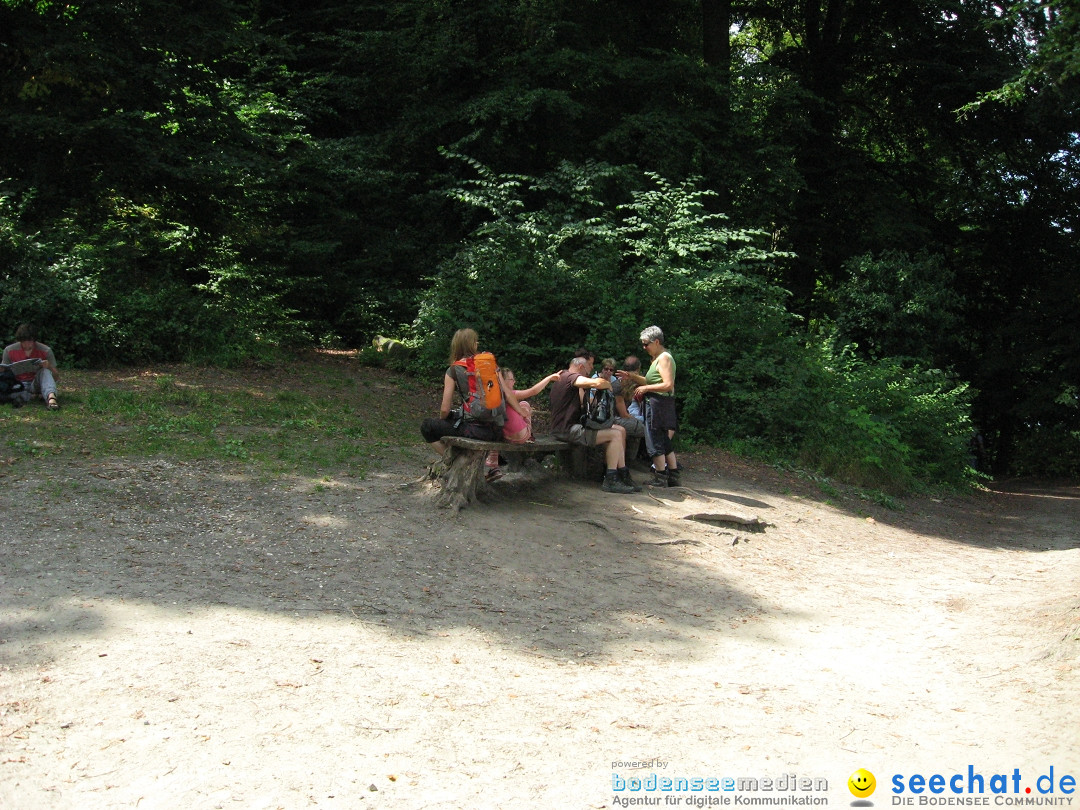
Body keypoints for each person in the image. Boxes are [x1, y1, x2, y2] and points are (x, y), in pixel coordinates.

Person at [420, 329, 522, 464]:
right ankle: (467, 462)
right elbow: (508, 394)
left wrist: (444, 420)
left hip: (475, 430)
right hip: (496, 430)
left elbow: (445, 410)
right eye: (476, 341)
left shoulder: (453, 370)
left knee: (427, 427)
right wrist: (522, 412)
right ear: (472, 345)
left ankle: (456, 462)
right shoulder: (489, 365)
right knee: (457, 420)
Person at [549, 350, 639, 494]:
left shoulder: (564, 378)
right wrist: (604, 383)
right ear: (580, 367)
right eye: (589, 366)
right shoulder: (570, 377)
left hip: (573, 426)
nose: (591, 369)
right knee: (615, 435)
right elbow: (595, 383)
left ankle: (623, 473)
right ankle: (610, 479)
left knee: (620, 430)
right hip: (567, 430)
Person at [619, 326, 679, 486]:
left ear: (657, 341)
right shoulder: (657, 359)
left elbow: (667, 384)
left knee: (654, 439)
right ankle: (673, 475)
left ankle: (660, 477)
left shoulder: (664, 358)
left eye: (646, 344)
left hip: (658, 404)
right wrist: (632, 376)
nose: (644, 348)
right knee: (664, 440)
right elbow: (650, 381)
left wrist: (646, 388)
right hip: (658, 404)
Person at [2, 323, 59, 410]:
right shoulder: (9, 350)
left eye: (30, 341)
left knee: (45, 371)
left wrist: (49, 366)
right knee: (8, 390)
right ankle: (31, 396)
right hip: (18, 383)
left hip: (36, 383)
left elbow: (56, 377)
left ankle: (51, 399)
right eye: (24, 342)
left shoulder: (45, 350)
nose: (27, 344)